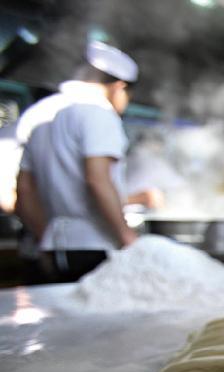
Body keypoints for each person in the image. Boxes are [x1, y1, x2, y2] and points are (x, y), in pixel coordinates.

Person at [15, 41, 143, 283]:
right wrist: (127, 237)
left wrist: (45, 236)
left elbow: (24, 189)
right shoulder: (98, 113)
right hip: (96, 247)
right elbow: (97, 179)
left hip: (51, 248)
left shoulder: (38, 114)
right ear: (119, 87)